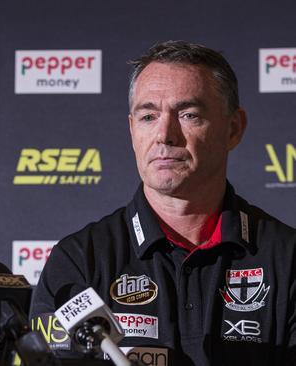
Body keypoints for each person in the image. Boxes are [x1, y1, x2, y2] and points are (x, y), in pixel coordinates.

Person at [31, 41, 296, 365]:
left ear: (233, 129)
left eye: (189, 114)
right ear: (132, 130)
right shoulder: (79, 262)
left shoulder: (287, 258)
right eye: (148, 116)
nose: (165, 134)